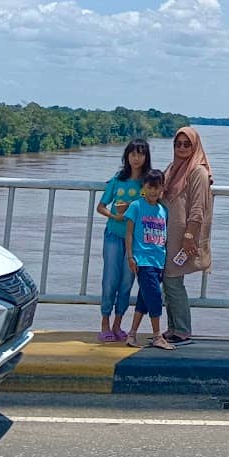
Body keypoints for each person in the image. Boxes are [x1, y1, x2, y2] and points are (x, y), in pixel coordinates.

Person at [160, 125, 214, 344]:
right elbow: (154, 190)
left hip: (182, 236)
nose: (182, 148)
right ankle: (173, 327)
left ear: (195, 146)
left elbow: (198, 208)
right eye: (178, 144)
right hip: (165, 233)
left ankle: (182, 329)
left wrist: (189, 236)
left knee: (172, 280)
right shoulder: (172, 169)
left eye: (187, 144)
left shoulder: (198, 171)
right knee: (167, 279)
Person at [95, 139, 150, 342]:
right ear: (127, 156)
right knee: (110, 279)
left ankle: (118, 324)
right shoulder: (118, 179)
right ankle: (104, 324)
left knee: (127, 282)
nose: (136, 158)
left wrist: (133, 207)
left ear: (146, 157)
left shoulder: (146, 183)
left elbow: (150, 205)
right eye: (133, 154)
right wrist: (115, 216)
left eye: (141, 154)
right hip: (113, 235)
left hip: (135, 239)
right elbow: (101, 206)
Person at [123, 171, 173, 349]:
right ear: (144, 187)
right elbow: (128, 233)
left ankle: (132, 334)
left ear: (162, 188)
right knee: (155, 297)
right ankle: (157, 336)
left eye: (157, 187)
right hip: (142, 260)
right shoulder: (136, 206)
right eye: (150, 187)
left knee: (143, 300)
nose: (153, 191)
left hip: (158, 261)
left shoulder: (162, 210)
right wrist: (130, 256)